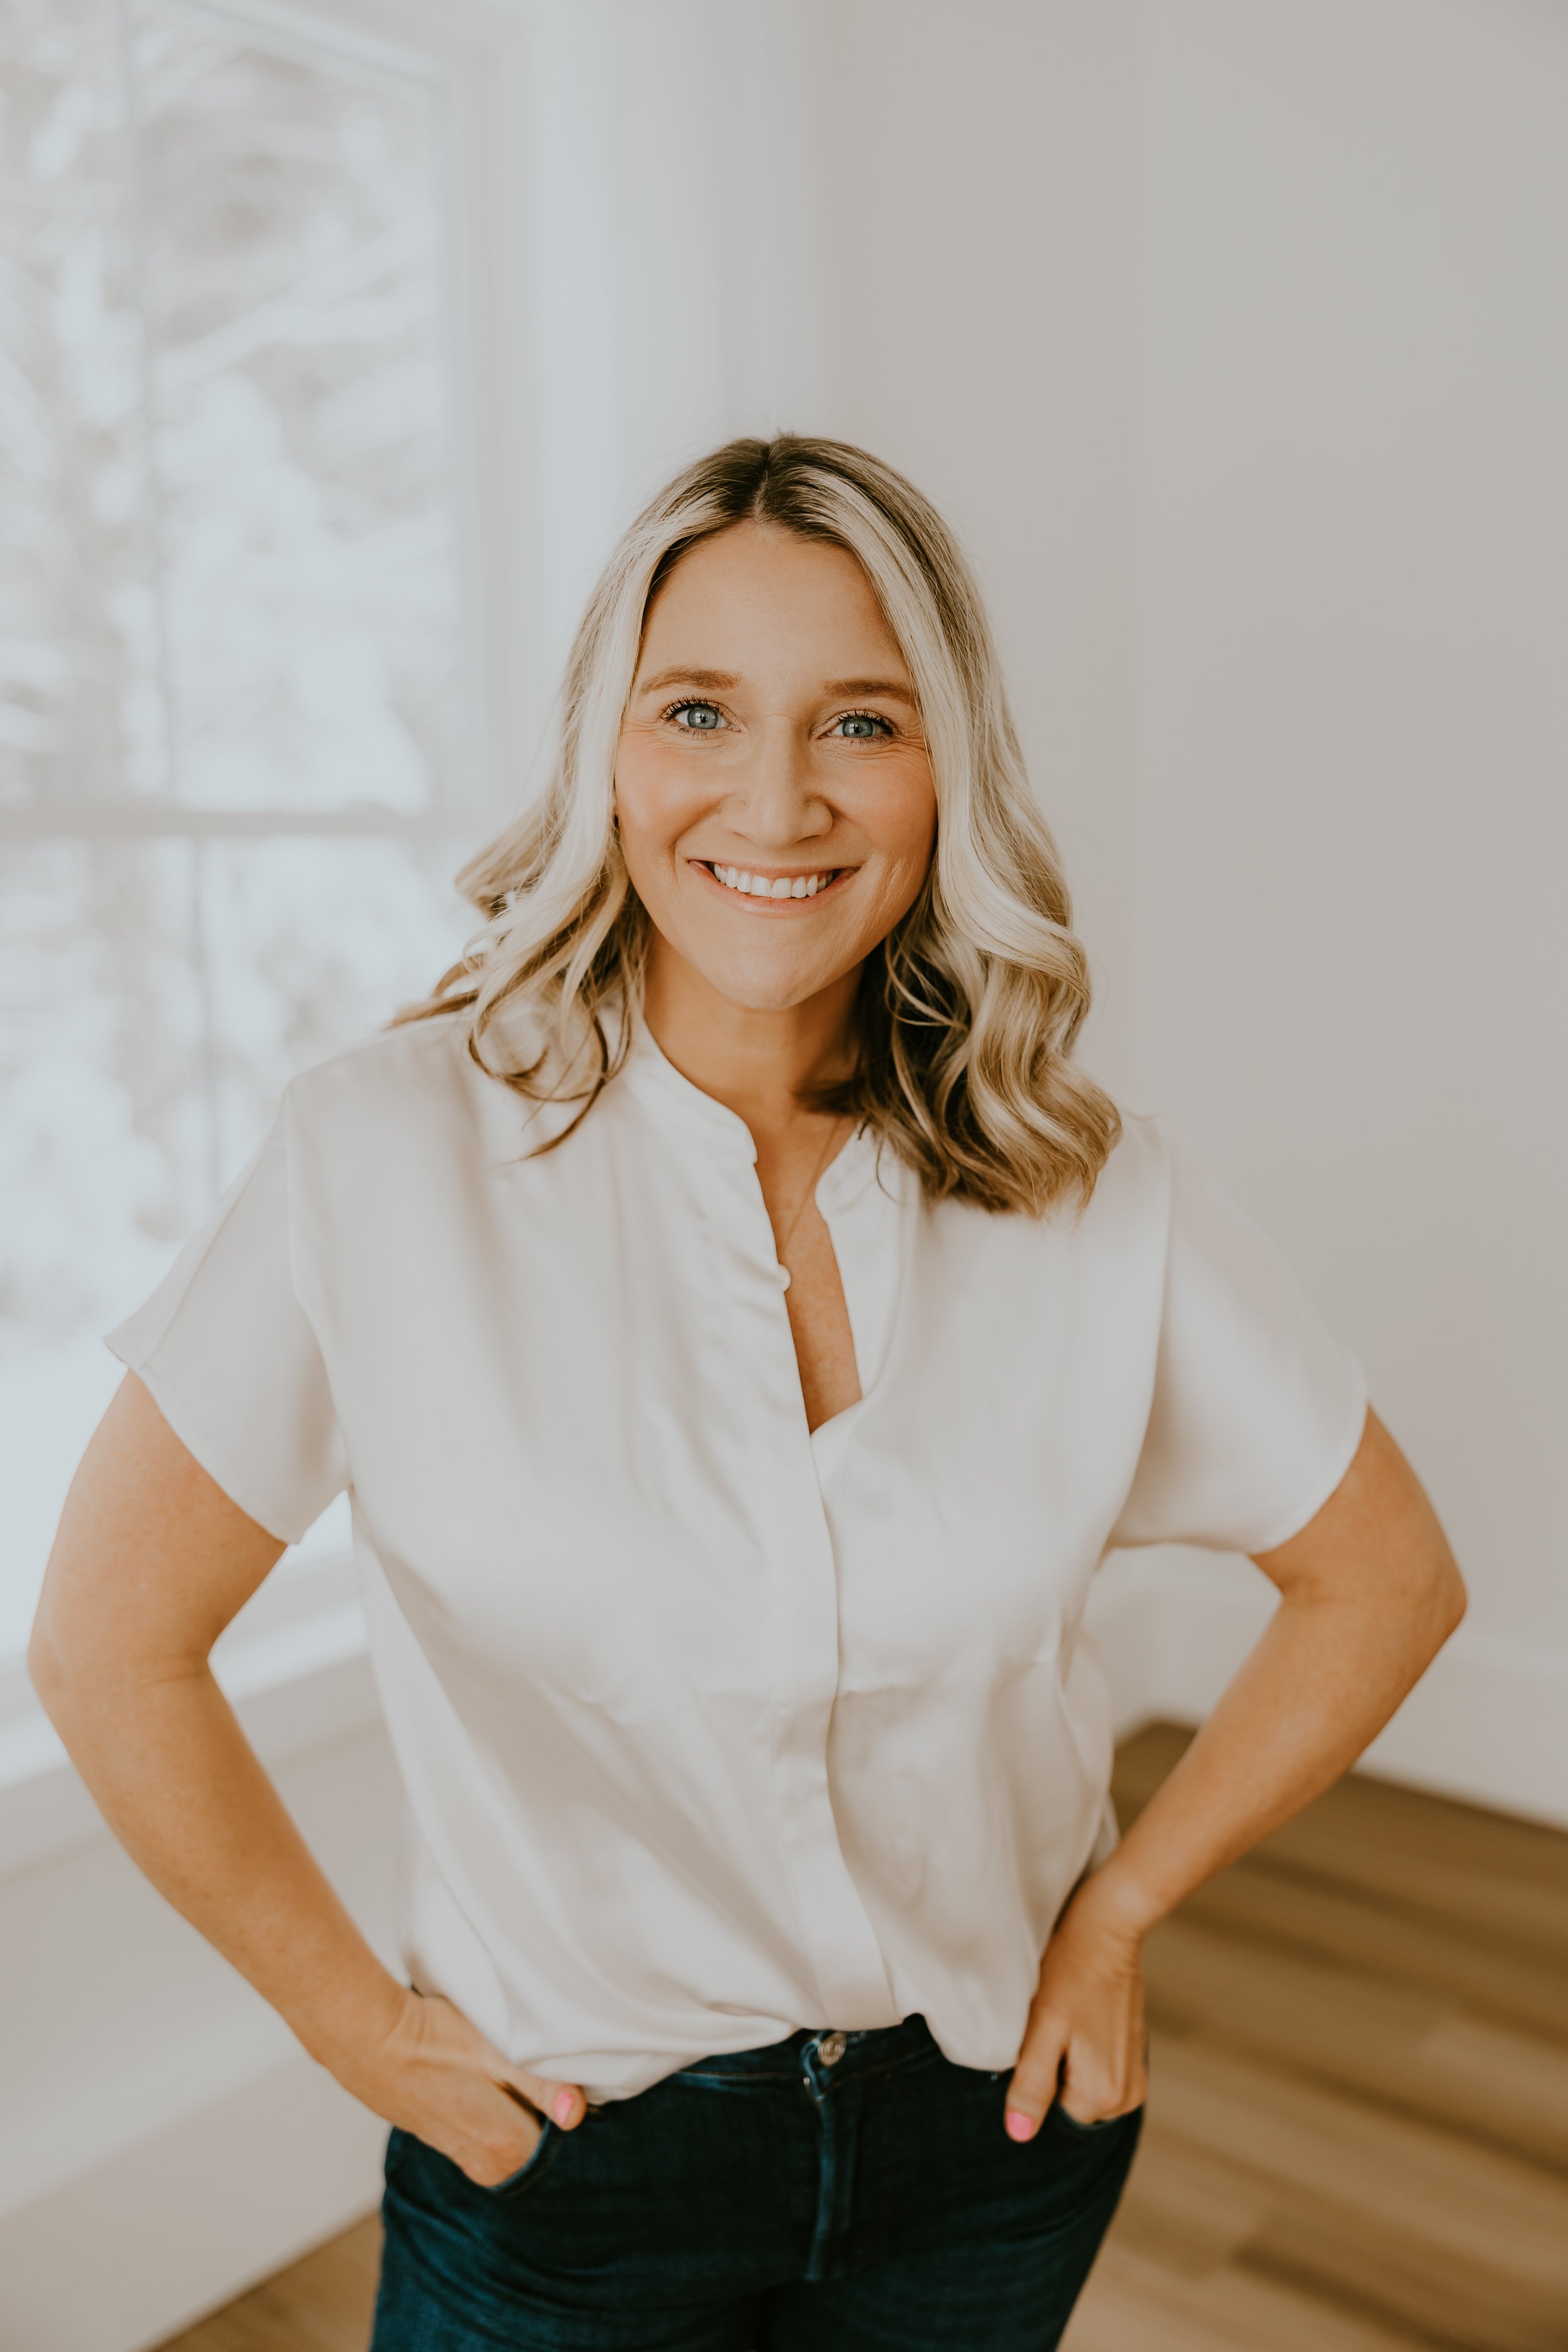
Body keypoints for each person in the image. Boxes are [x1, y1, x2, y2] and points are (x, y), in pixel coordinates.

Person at [29, 436, 1466, 2351]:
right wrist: (351, 2026)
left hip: (988, 2140)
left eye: (859, 721)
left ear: (945, 767)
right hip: (563, 2156)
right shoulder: (379, 1157)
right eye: (697, 710)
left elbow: (1386, 1578)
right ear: (605, 754)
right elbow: (107, 1643)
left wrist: (1121, 1914)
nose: (776, 800)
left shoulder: (1087, 1184)